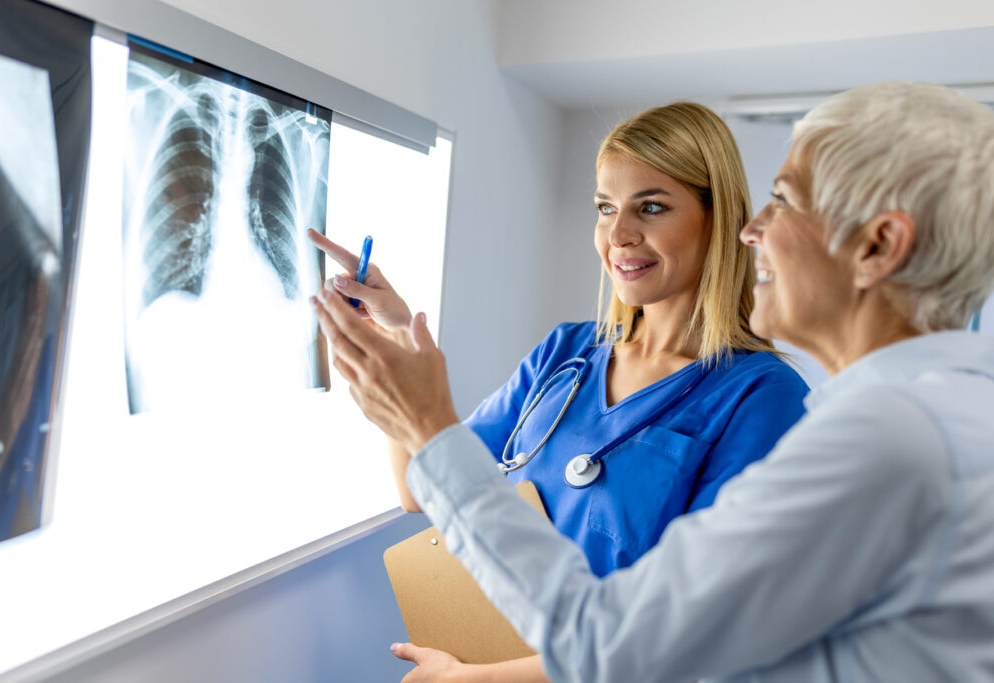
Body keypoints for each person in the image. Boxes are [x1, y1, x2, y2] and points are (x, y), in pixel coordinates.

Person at [314, 79, 994, 683]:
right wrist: (404, 359)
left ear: (878, 245)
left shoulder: (865, 434)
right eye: (605, 207)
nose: (753, 229)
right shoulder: (932, 418)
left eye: (782, 201)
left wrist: (431, 426)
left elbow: (625, 643)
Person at [311, 102, 808, 680]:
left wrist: (468, 680)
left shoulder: (763, 397)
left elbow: (691, 637)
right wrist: (397, 337)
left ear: (716, 216)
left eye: (651, 206)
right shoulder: (565, 354)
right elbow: (421, 490)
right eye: (605, 207)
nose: (618, 235)